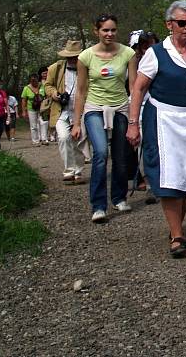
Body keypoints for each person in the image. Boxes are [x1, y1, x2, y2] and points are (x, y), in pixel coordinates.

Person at [127, 0, 186, 258]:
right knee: (170, 175)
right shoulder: (156, 54)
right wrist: (133, 123)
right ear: (170, 25)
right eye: (182, 23)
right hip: (163, 119)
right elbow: (138, 89)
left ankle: (177, 227)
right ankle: (177, 235)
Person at [72, 14, 137, 223]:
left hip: (119, 107)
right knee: (100, 152)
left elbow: (134, 87)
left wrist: (135, 118)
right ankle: (98, 205)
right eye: (105, 30)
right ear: (96, 31)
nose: (109, 34)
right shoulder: (86, 56)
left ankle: (118, 197)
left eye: (113, 30)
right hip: (94, 107)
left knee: (120, 154)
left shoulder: (128, 53)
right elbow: (81, 91)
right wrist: (76, 122)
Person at [45, 40, 90, 183]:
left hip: (81, 111)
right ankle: (69, 170)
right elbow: (47, 86)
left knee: (78, 141)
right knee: (64, 138)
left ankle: (78, 172)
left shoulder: (87, 68)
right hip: (61, 110)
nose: (72, 59)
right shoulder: (56, 68)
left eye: (75, 56)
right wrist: (55, 94)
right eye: (69, 57)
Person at [127, 30, 159, 201]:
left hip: (160, 107)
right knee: (143, 146)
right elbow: (133, 89)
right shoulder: (133, 63)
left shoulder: (164, 58)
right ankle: (149, 183)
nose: (147, 48)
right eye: (144, 45)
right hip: (139, 107)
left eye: (151, 44)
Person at [21, 73, 49, 146]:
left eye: (35, 80)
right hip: (31, 109)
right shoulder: (26, 88)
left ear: (37, 79)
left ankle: (44, 139)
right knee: (33, 125)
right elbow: (24, 100)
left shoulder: (42, 86)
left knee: (44, 123)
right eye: (32, 81)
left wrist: (47, 106)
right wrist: (24, 111)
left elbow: (47, 96)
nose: (34, 82)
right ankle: (35, 140)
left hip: (42, 108)